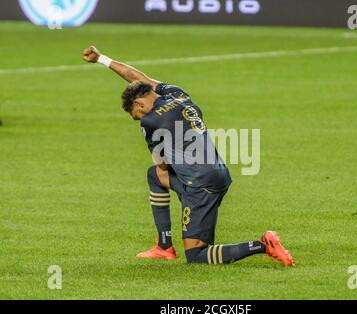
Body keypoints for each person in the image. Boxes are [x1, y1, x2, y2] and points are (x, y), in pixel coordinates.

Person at [82, 46, 294, 266]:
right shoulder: (177, 94)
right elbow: (139, 78)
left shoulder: (150, 121)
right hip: (219, 174)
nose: (139, 119)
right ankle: (164, 247)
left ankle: (262, 244)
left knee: (197, 256)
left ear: (139, 104)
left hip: (199, 184)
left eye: (137, 115)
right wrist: (102, 59)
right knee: (154, 176)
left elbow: (162, 164)